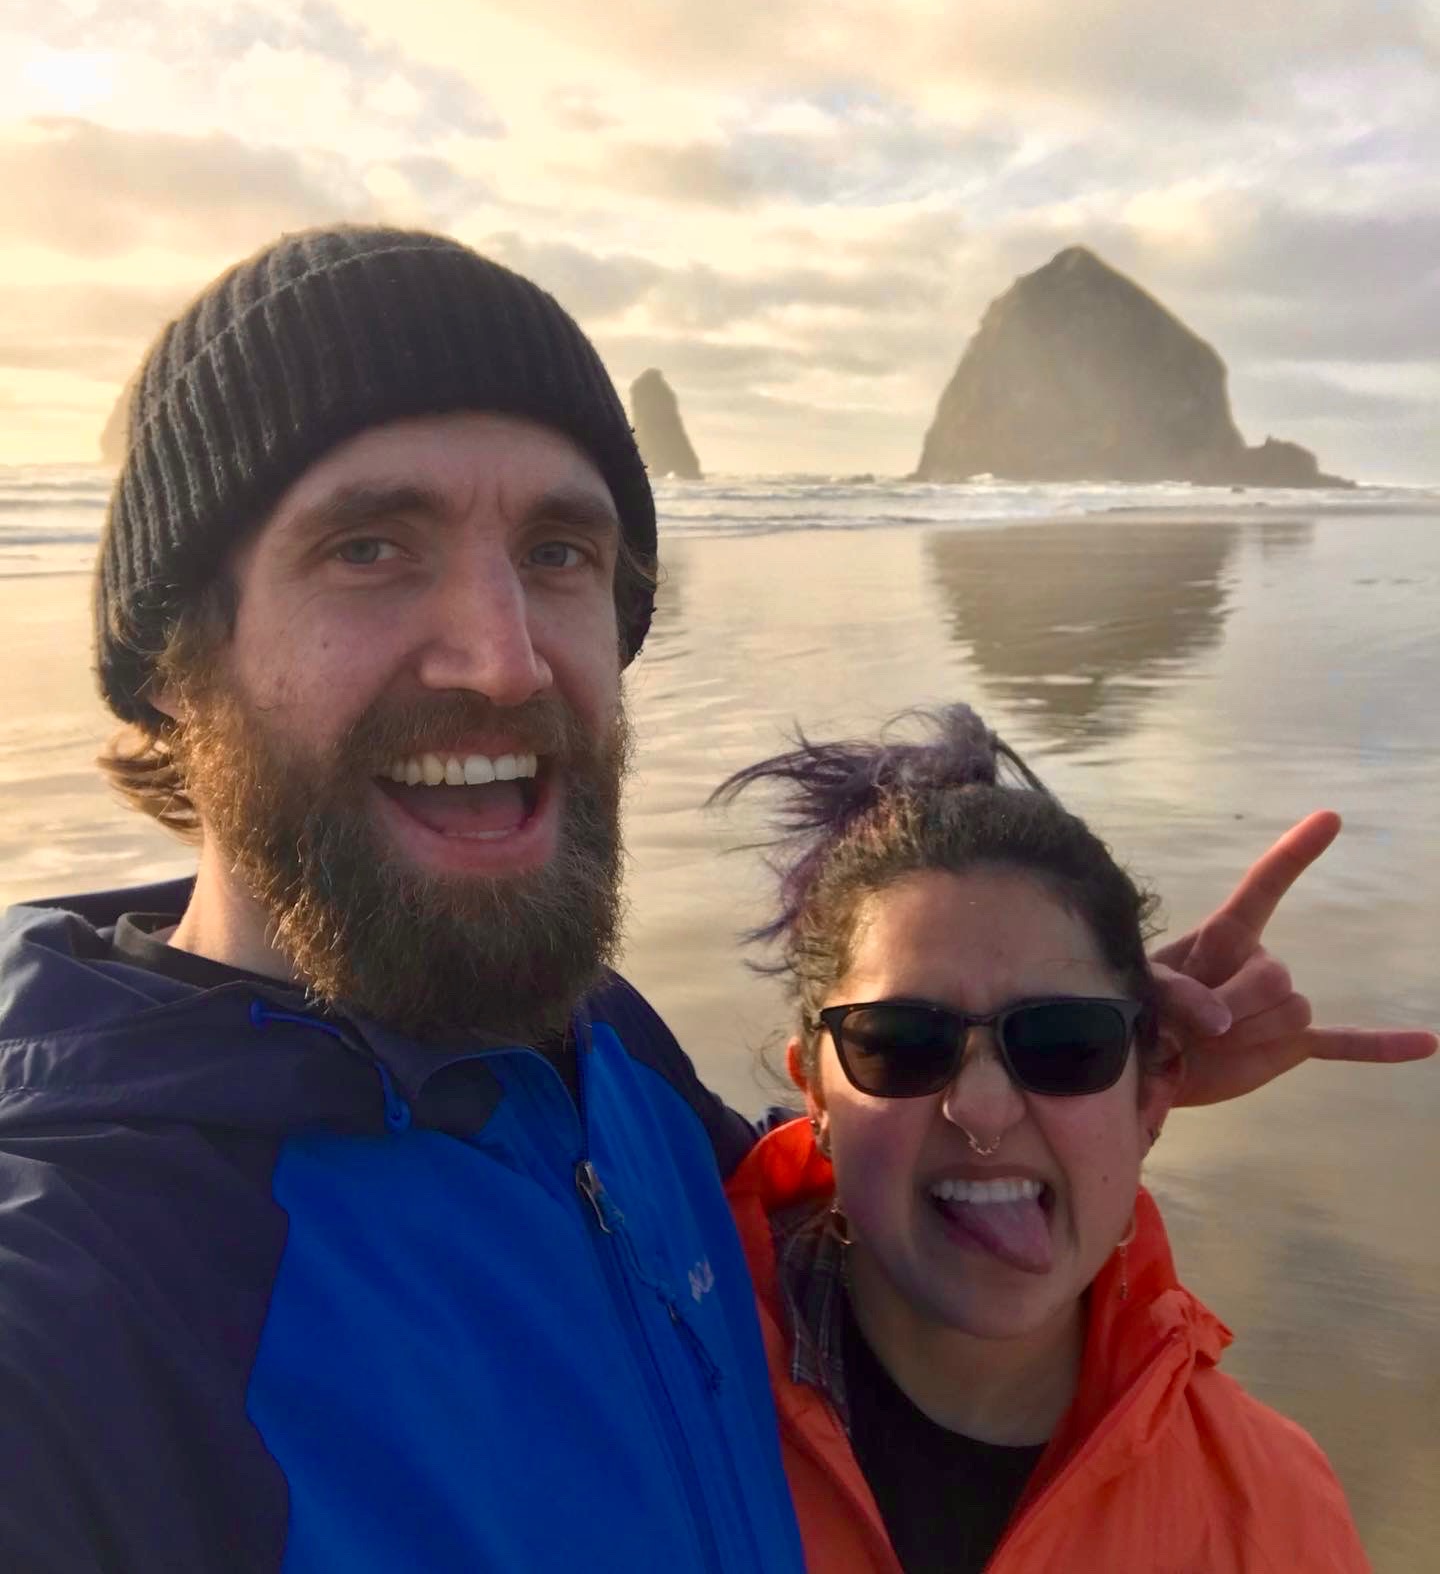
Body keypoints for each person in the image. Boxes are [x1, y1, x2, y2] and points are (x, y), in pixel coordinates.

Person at [0, 226, 1428, 1571]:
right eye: (369, 545)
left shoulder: (600, 1052)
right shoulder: (84, 1306)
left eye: (559, 553)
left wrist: (1085, 1053)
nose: (503, 656)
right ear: (173, 662)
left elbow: (845, 1206)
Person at [721, 706, 1386, 1572]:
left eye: (1065, 1042)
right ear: (814, 1093)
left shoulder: (1270, 1508)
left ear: (1156, 1090)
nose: (983, 1109)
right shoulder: (653, 1389)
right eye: (901, 1043)